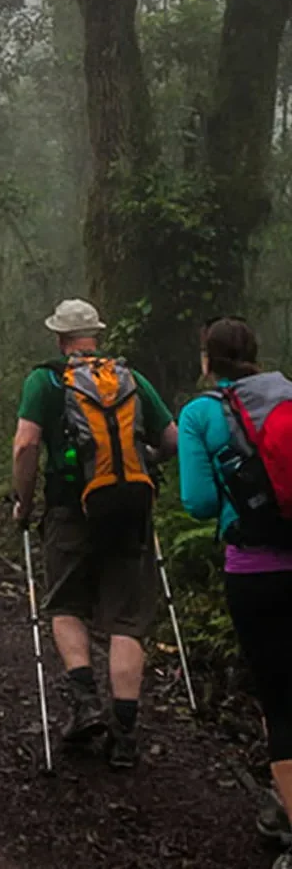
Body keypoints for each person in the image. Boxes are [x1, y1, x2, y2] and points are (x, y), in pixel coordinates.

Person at [11, 298, 178, 769]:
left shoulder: (45, 380)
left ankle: (84, 703)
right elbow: (172, 439)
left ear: (60, 338)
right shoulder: (131, 378)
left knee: (66, 604)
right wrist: (141, 465)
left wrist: (24, 503)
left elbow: (26, 444)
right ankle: (125, 735)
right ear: (95, 336)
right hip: (130, 507)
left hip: (69, 508)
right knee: (126, 620)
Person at [178, 317, 292, 868]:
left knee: (279, 695)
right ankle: (278, 805)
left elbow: (198, 503)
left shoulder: (202, 413)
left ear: (207, 360)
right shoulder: (288, 395)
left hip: (256, 571)